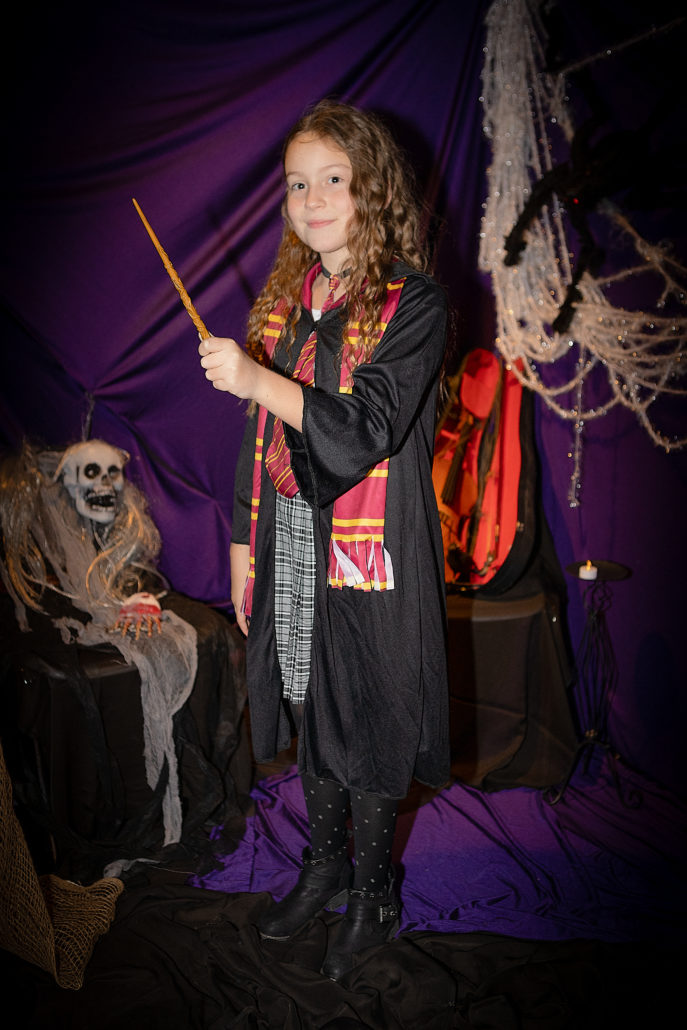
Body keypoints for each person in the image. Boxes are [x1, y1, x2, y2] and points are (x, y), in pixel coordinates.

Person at [199, 99, 450, 980]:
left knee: (369, 715)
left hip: (371, 548)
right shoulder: (286, 303)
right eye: (296, 184)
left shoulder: (413, 304)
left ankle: (374, 894)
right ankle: (325, 866)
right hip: (289, 534)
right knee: (309, 702)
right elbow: (257, 438)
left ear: (371, 187)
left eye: (332, 180)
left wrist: (254, 379)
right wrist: (242, 548)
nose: (311, 200)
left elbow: (368, 425)